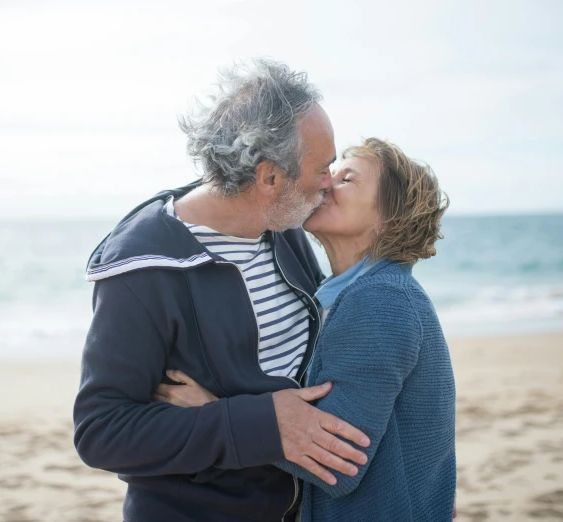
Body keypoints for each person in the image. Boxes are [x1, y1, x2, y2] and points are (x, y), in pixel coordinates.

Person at [72, 59, 371, 522]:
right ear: (270, 177)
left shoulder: (281, 224)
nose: (330, 182)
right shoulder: (141, 268)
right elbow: (102, 432)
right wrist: (258, 425)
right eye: (323, 167)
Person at [156, 138, 457, 521]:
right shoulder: (351, 293)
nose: (327, 182)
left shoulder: (381, 301)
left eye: (347, 178)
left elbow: (336, 463)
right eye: (332, 172)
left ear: (388, 219)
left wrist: (214, 413)